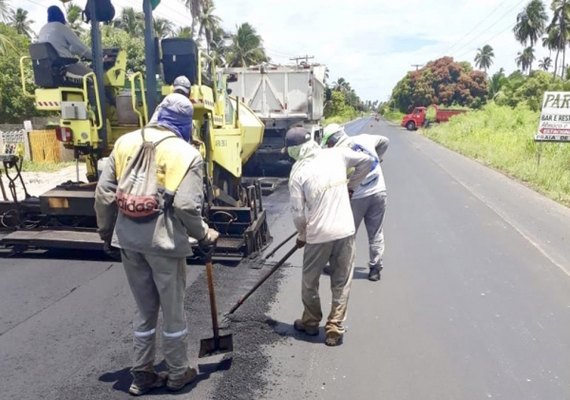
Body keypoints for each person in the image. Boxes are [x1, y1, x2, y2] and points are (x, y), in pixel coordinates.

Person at [94, 93, 219, 396]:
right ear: (185, 123)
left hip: (129, 241)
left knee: (144, 309)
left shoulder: (125, 142)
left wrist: (106, 232)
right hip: (164, 244)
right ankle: (177, 373)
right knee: (173, 311)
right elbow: (188, 207)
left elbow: (103, 194)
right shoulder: (186, 153)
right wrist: (204, 235)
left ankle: (141, 373)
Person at [286, 126, 375, 346]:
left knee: (309, 281)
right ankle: (335, 327)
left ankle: (310, 321)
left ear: (295, 150)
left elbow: (298, 213)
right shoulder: (337, 153)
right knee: (342, 280)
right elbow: (368, 161)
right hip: (345, 229)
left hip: (318, 235)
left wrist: (302, 235)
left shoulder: (298, 172)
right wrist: (351, 186)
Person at [322, 123, 389, 282]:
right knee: (376, 232)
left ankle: (340, 268)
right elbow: (385, 141)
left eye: (328, 143)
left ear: (333, 140)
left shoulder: (339, 153)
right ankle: (375, 269)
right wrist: (378, 158)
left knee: (347, 233)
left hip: (358, 197)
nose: (328, 146)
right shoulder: (364, 138)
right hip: (379, 191)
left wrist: (349, 188)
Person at [37, 6, 93, 77]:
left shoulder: (43, 29)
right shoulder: (60, 27)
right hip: (65, 67)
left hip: (49, 70)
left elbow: (62, 46)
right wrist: (95, 57)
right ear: (61, 15)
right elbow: (79, 46)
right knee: (95, 76)